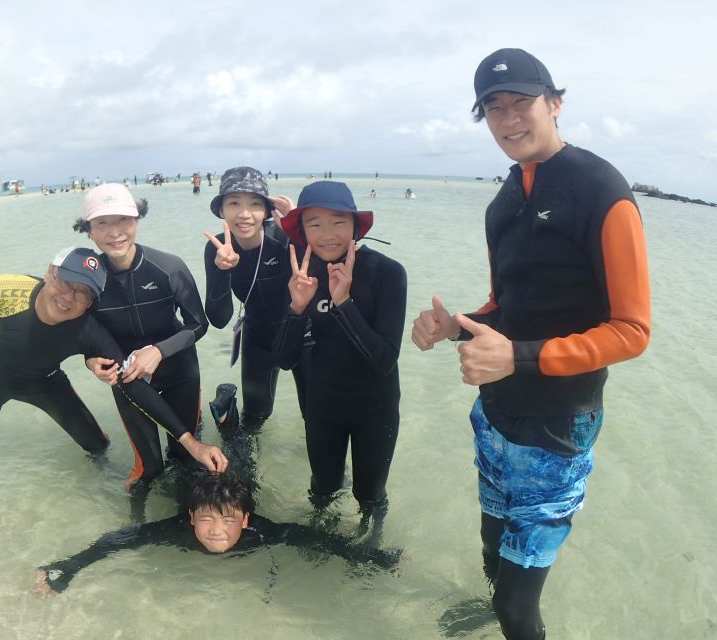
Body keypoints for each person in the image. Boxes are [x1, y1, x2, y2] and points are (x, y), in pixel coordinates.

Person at [411, 48, 650, 640]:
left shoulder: (602, 189)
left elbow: (633, 330)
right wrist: (455, 326)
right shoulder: (503, 202)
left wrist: (516, 356)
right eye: (494, 108)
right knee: (491, 551)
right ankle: (492, 607)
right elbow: (506, 306)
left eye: (522, 101)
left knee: (520, 611)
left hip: (557, 429)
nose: (508, 118)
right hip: (496, 414)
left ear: (555, 103)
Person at [0, 246, 226, 546]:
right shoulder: (9, 290)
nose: (68, 297)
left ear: (92, 303)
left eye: (83, 293)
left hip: (44, 383)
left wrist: (190, 443)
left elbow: (131, 383)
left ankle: (102, 471)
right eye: (66, 283)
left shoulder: (88, 327)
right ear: (51, 273)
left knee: (96, 444)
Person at [34, 470, 401, 596]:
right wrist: (68, 567)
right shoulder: (177, 530)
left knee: (244, 465)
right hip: (193, 487)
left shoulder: (259, 531)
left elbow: (311, 537)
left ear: (245, 520)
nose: (216, 532)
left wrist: (372, 558)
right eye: (206, 520)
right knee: (177, 474)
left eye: (228, 521)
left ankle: (233, 426)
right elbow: (119, 540)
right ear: (192, 517)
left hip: (235, 490)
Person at [274, 181, 407, 523]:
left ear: (354, 225)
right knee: (323, 488)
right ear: (303, 231)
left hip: (375, 407)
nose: (328, 235)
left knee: (370, 496)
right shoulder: (303, 275)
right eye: (315, 224)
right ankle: (319, 540)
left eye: (338, 222)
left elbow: (384, 360)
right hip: (323, 404)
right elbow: (284, 360)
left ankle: (370, 546)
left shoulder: (387, 273)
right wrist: (296, 309)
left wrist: (343, 302)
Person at [73, 184, 210, 490]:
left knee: (185, 459)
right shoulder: (88, 281)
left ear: (137, 220)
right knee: (149, 469)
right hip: (128, 379)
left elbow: (198, 325)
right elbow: (89, 340)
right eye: (102, 223)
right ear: (89, 231)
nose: (114, 232)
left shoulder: (168, 267)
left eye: (123, 220)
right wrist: (92, 363)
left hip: (179, 370)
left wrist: (158, 351)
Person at [202, 166, 307, 429]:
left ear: (267, 211)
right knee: (254, 420)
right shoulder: (217, 248)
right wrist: (222, 271)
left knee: (316, 414)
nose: (245, 213)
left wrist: (300, 232)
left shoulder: (284, 238)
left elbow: (323, 278)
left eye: (255, 204)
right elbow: (219, 319)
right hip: (257, 337)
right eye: (234, 203)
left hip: (303, 335)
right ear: (221, 210)